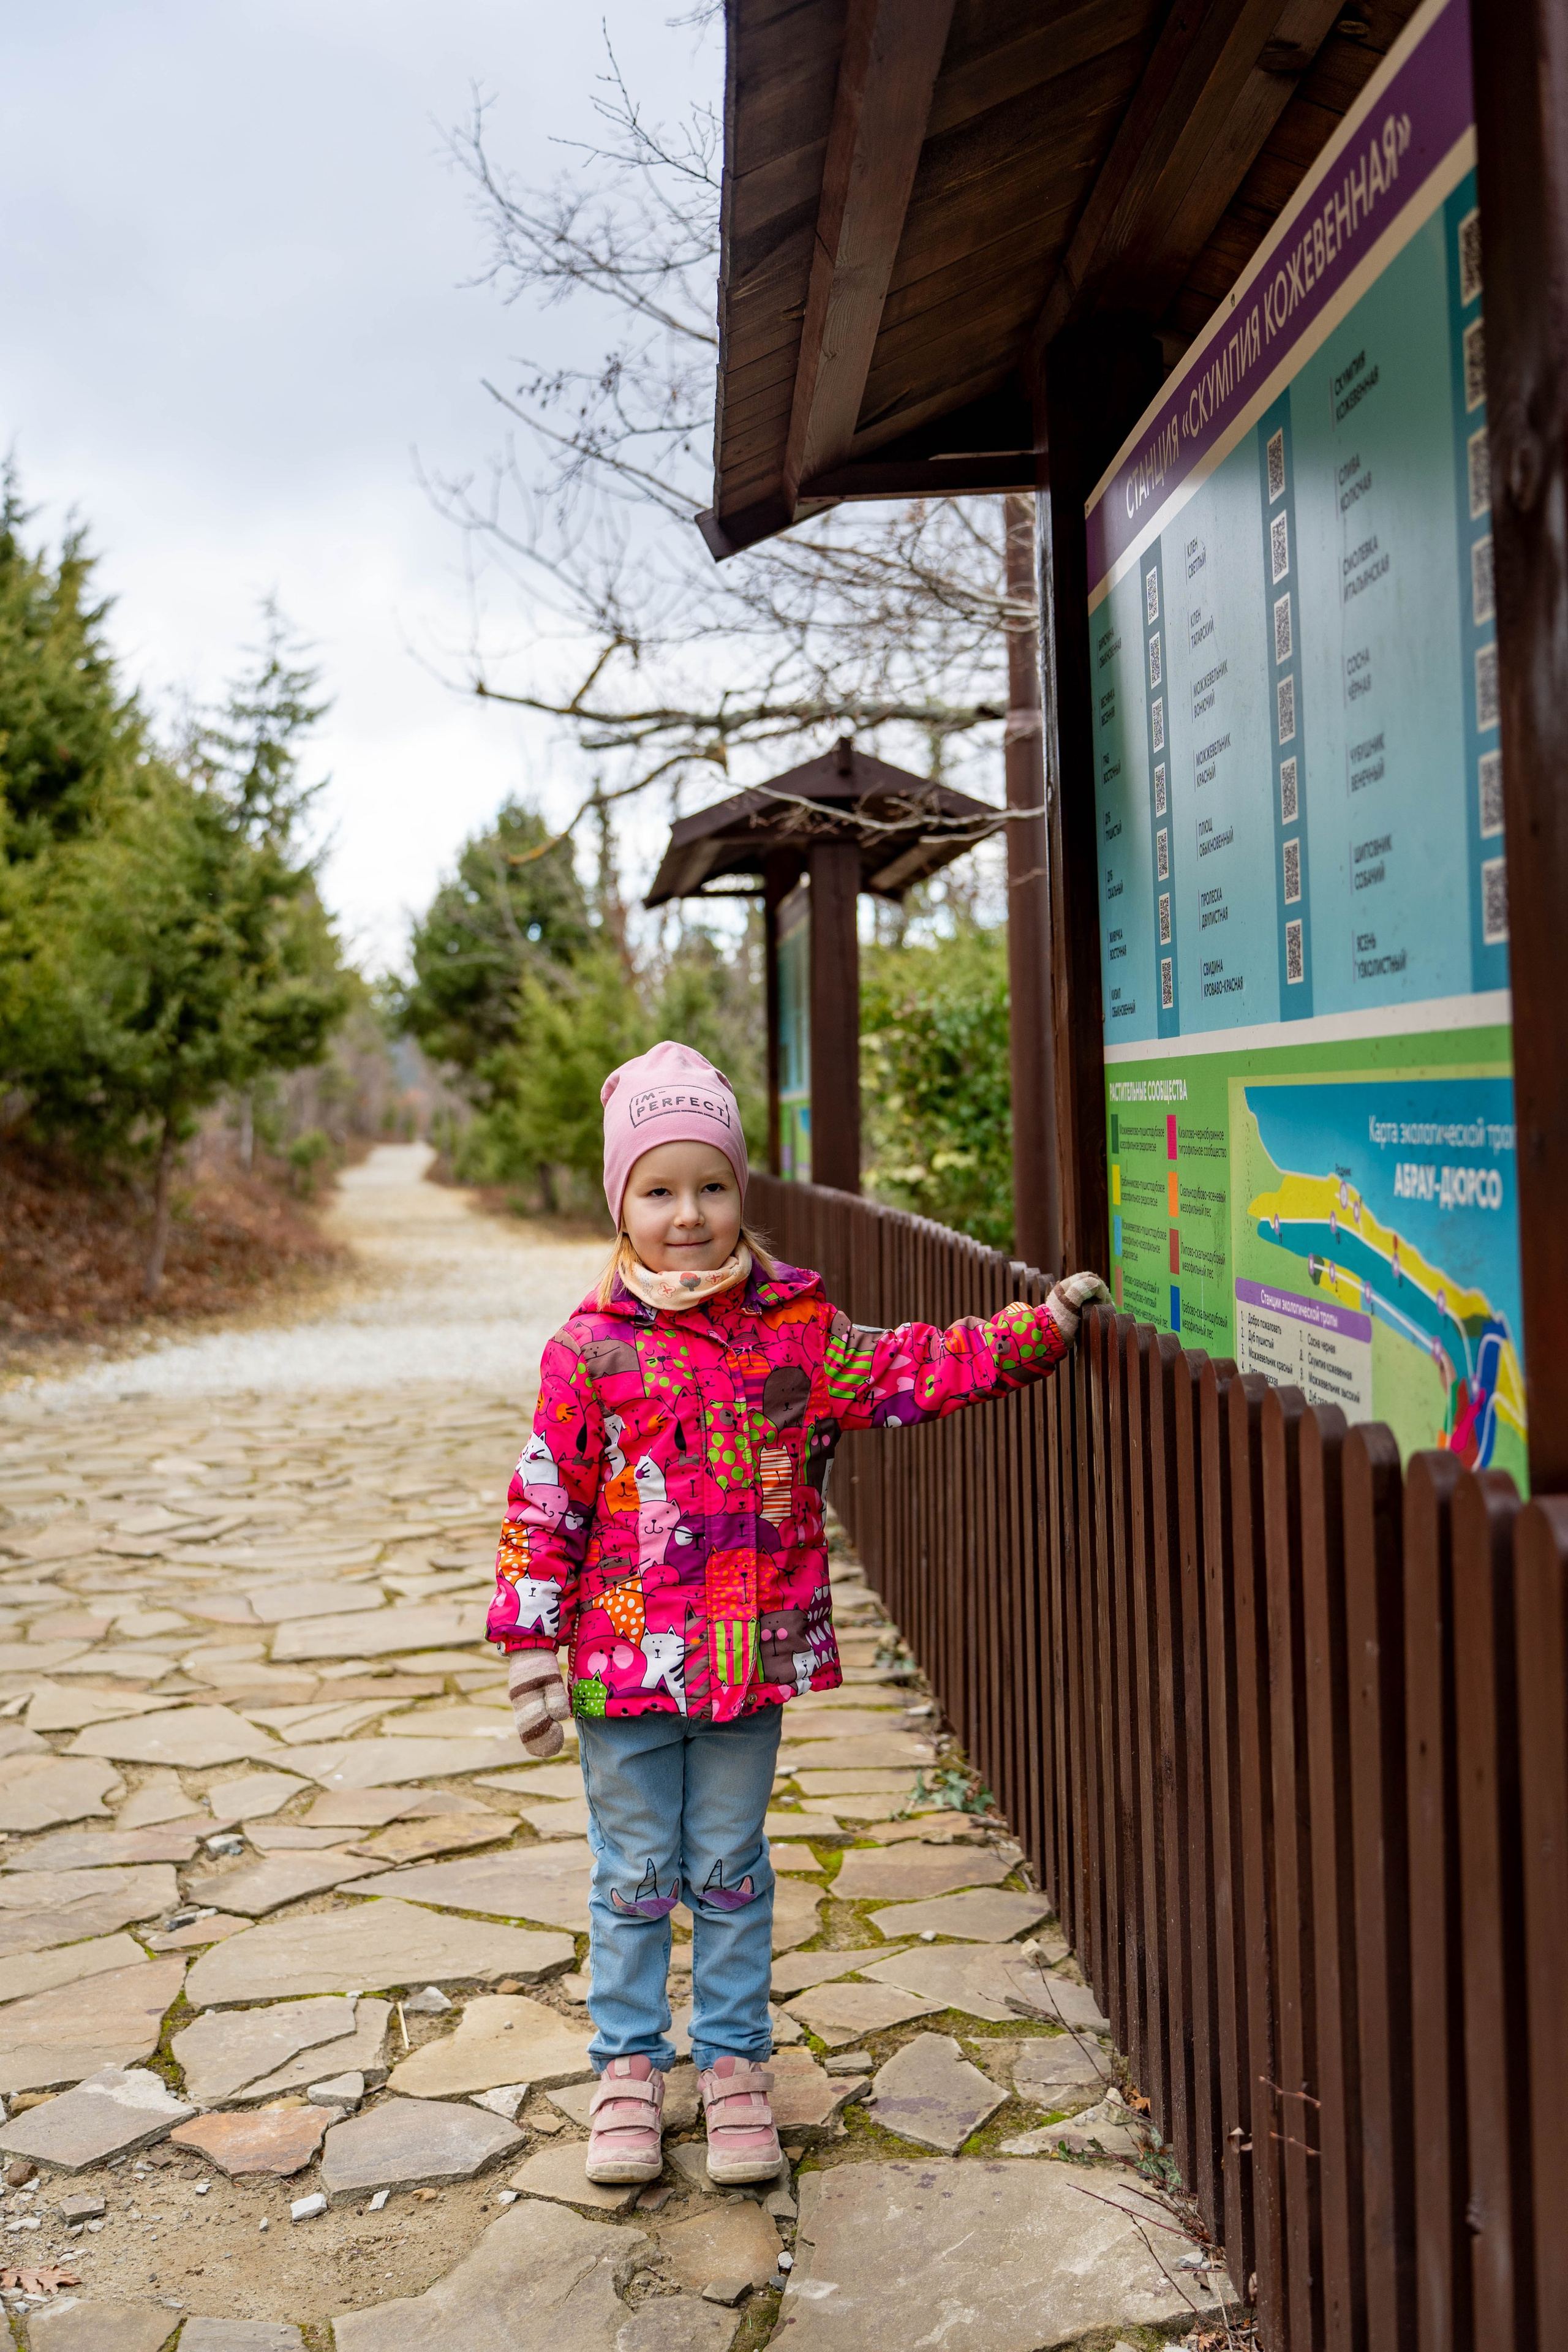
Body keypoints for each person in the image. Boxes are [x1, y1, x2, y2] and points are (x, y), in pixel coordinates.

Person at [486, 1039, 1109, 2188]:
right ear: (620, 1200)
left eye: (711, 1186)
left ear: (742, 1193)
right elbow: (545, 1500)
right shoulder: (588, 1352)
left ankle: (731, 2066)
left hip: (747, 1661)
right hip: (624, 1667)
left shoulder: (797, 1335)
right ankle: (628, 2066)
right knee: (633, 1874)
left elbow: (914, 1368)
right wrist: (530, 1645)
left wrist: (1039, 1333)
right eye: (660, 1190)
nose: (689, 1215)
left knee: (727, 1866)